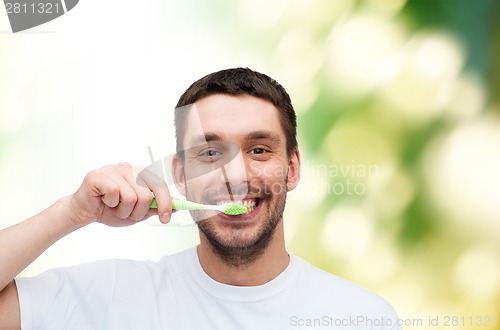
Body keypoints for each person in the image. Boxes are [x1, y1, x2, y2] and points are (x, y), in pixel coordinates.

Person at [0, 68, 401, 329]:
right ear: (179, 176)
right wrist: (70, 213)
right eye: (210, 154)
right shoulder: (113, 296)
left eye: (259, 150)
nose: (236, 176)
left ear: (292, 168)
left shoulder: (364, 317)